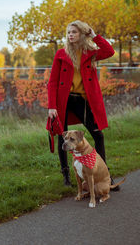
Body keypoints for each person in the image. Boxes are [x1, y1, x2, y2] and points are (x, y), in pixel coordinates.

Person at [47, 20, 119, 190]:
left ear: (82, 34)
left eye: (74, 32)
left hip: (82, 100)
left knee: (98, 136)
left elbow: (109, 51)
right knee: (61, 136)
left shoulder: (90, 52)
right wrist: (52, 106)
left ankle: (104, 174)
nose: (70, 35)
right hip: (63, 100)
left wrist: (94, 35)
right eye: (68, 32)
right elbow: (52, 82)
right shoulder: (61, 54)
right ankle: (66, 175)